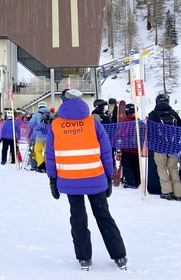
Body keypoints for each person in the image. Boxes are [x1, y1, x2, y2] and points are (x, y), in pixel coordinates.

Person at [46, 88, 127, 271]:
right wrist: (109, 175)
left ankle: (84, 257)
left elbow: (50, 155)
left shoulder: (56, 126)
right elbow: (106, 151)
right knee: (103, 216)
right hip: (95, 178)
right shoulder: (93, 123)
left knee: (78, 217)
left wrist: (52, 179)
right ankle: (119, 255)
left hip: (69, 179)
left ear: (64, 102)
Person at [147, 93, 181, 200]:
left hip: (159, 146)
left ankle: (167, 191)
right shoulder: (174, 114)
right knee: (173, 168)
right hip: (174, 146)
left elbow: (150, 131)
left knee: (161, 168)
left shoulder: (153, 114)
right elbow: (180, 129)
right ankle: (178, 193)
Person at [119, 103, 141, 189]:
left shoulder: (126, 121)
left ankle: (130, 182)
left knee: (127, 164)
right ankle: (137, 180)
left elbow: (122, 133)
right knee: (136, 164)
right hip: (137, 148)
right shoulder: (138, 120)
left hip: (127, 148)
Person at [28, 102, 52, 172]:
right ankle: (47, 164)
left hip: (39, 136)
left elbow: (30, 124)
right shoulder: (50, 114)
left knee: (37, 150)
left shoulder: (37, 114)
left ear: (39, 107)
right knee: (47, 151)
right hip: (48, 136)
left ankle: (41, 165)